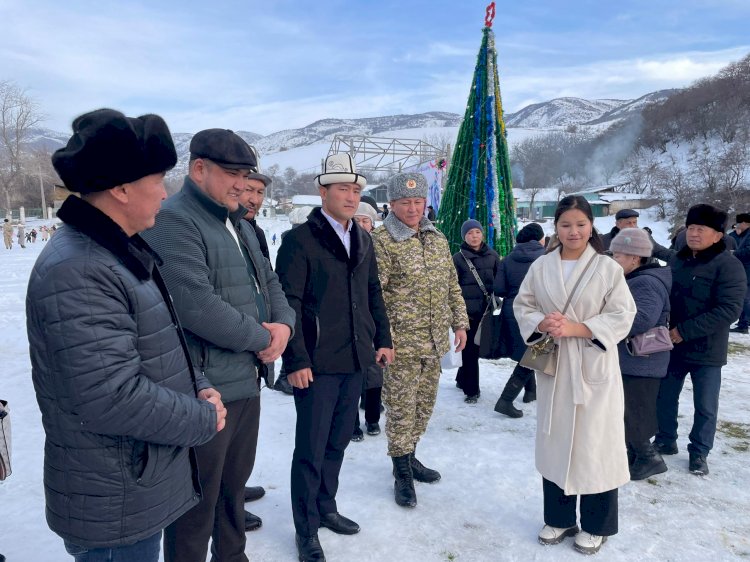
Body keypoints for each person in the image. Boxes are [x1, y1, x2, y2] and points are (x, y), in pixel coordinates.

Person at [27, 108, 226, 562]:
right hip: (113, 496)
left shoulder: (116, 251)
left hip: (134, 483)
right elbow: (110, 396)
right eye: (157, 180)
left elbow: (160, 344)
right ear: (120, 189)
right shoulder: (80, 269)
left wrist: (199, 385)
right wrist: (200, 416)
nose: (164, 193)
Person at [142, 128, 295, 562]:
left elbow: (270, 280)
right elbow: (196, 306)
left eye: (245, 174)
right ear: (198, 169)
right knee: (195, 504)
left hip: (246, 381)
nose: (241, 184)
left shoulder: (237, 221)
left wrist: (284, 325)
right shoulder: (174, 220)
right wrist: (264, 337)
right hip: (204, 389)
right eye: (231, 173)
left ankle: (233, 556)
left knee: (233, 492)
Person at [276, 153, 393, 562]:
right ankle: (305, 528)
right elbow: (286, 302)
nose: (351, 195)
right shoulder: (299, 240)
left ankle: (326, 507)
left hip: (356, 358)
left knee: (338, 442)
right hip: (316, 362)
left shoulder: (362, 238)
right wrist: (295, 360)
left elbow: (373, 293)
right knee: (310, 447)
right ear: (322, 191)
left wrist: (383, 338)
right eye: (342, 188)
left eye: (356, 189)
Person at [514, 195, 636, 555]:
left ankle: (598, 525)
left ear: (591, 227)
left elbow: (623, 315)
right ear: (556, 227)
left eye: (580, 224)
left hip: (592, 368)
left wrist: (579, 328)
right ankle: (560, 517)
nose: (573, 231)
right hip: (555, 369)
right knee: (555, 441)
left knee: (596, 446)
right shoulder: (541, 266)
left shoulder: (607, 268)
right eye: (565, 224)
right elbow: (524, 304)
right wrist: (542, 322)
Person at [372, 172, 469, 509]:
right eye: (405, 202)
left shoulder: (436, 237)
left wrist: (460, 323)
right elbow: (375, 296)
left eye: (418, 201)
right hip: (401, 345)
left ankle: (410, 456)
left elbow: (451, 285)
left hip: (434, 342)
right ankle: (401, 472)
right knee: (400, 408)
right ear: (392, 204)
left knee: (423, 406)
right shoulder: (382, 241)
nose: (413, 209)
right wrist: (383, 340)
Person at [654, 204, 746, 476]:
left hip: (707, 349)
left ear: (718, 235)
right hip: (672, 346)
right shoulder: (678, 261)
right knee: (665, 397)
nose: (693, 234)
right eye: (691, 228)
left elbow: (729, 310)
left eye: (700, 229)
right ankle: (665, 439)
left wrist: (683, 331)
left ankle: (699, 452)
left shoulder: (729, 265)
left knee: (705, 405)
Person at [610, 228, 671, 481]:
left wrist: (608, 325)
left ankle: (649, 458)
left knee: (633, 412)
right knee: (628, 411)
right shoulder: (639, 278)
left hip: (641, 360)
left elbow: (642, 319)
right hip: (637, 360)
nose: (613, 261)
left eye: (618, 256)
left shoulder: (645, 282)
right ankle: (635, 455)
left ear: (635, 258)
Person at [237, 146, 274, 533]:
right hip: (234, 345)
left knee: (245, 434)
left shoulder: (254, 231)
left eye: (260, 193)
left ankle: (236, 485)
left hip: (256, 347)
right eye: (248, 190)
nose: (253, 199)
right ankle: (226, 499)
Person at [493, 222, 545, 418]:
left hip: (512, 311)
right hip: (537, 312)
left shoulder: (508, 259)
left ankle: (531, 392)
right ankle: (505, 400)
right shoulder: (546, 259)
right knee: (532, 355)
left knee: (528, 352)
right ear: (539, 239)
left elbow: (499, 289)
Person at [451, 219, 501, 403]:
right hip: (466, 312)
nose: (474, 236)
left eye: (477, 232)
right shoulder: (458, 259)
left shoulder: (493, 256)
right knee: (470, 350)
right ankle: (472, 391)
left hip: (486, 310)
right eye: (470, 233)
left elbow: (498, 281)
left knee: (474, 348)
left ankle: (461, 378)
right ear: (464, 236)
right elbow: (452, 285)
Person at [351, 202, 384, 441]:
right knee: (352, 373)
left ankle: (372, 418)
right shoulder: (344, 245)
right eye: (358, 219)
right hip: (350, 320)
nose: (362, 224)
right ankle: (350, 423)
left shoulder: (381, 247)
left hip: (374, 320)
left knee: (374, 372)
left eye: (366, 221)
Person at [601, 209, 671, 261]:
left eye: (634, 222)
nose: (633, 226)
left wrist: (680, 256)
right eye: (628, 223)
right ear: (618, 224)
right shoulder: (604, 241)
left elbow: (662, 252)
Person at [730, 212, 750, 334]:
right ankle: (743, 322)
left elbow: (748, 251)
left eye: (739, 223)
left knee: (745, 298)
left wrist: (734, 253)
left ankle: (744, 324)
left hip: (748, 271)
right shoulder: (745, 234)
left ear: (743, 223)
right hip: (746, 270)